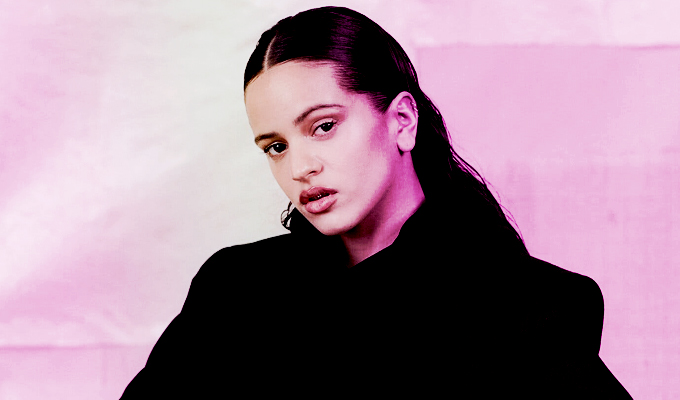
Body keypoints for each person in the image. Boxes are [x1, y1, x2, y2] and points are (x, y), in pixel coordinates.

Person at [121, 6, 633, 399]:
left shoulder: (526, 306)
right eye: (276, 147)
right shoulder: (235, 291)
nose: (300, 167)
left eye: (323, 126)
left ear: (402, 121)